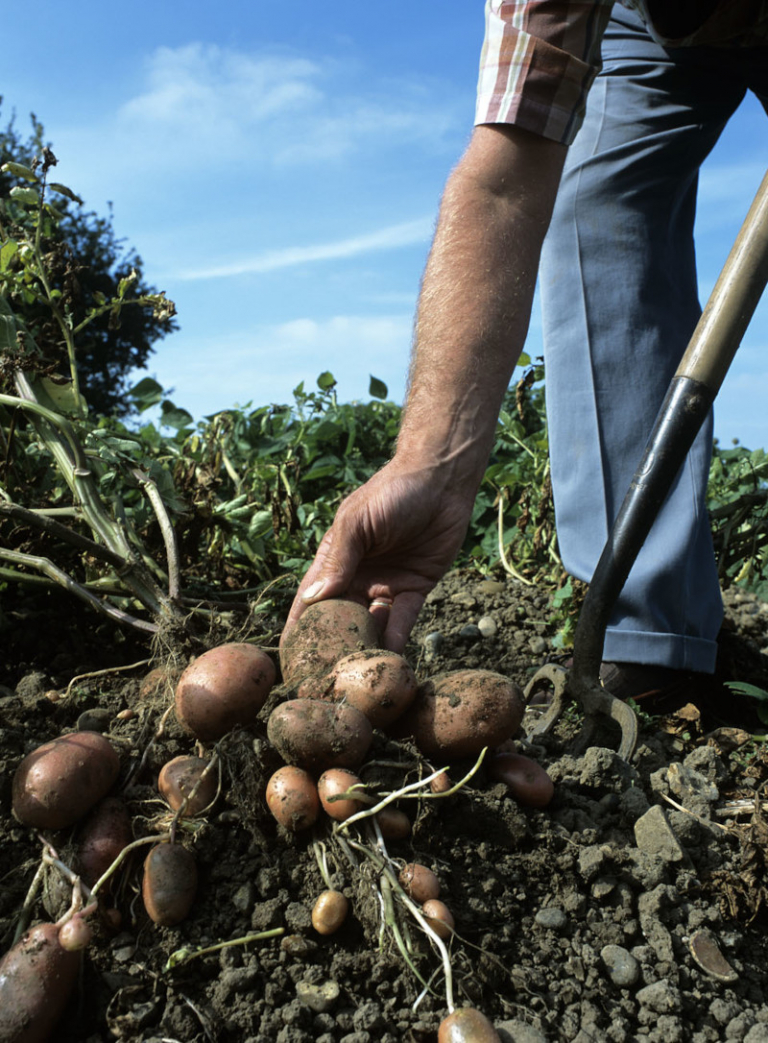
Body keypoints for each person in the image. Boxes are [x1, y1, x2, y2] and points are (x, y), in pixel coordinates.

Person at [283, 1, 768, 703]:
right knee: (598, 200)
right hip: (652, 24)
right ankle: (645, 634)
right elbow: (506, 182)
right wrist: (433, 462)